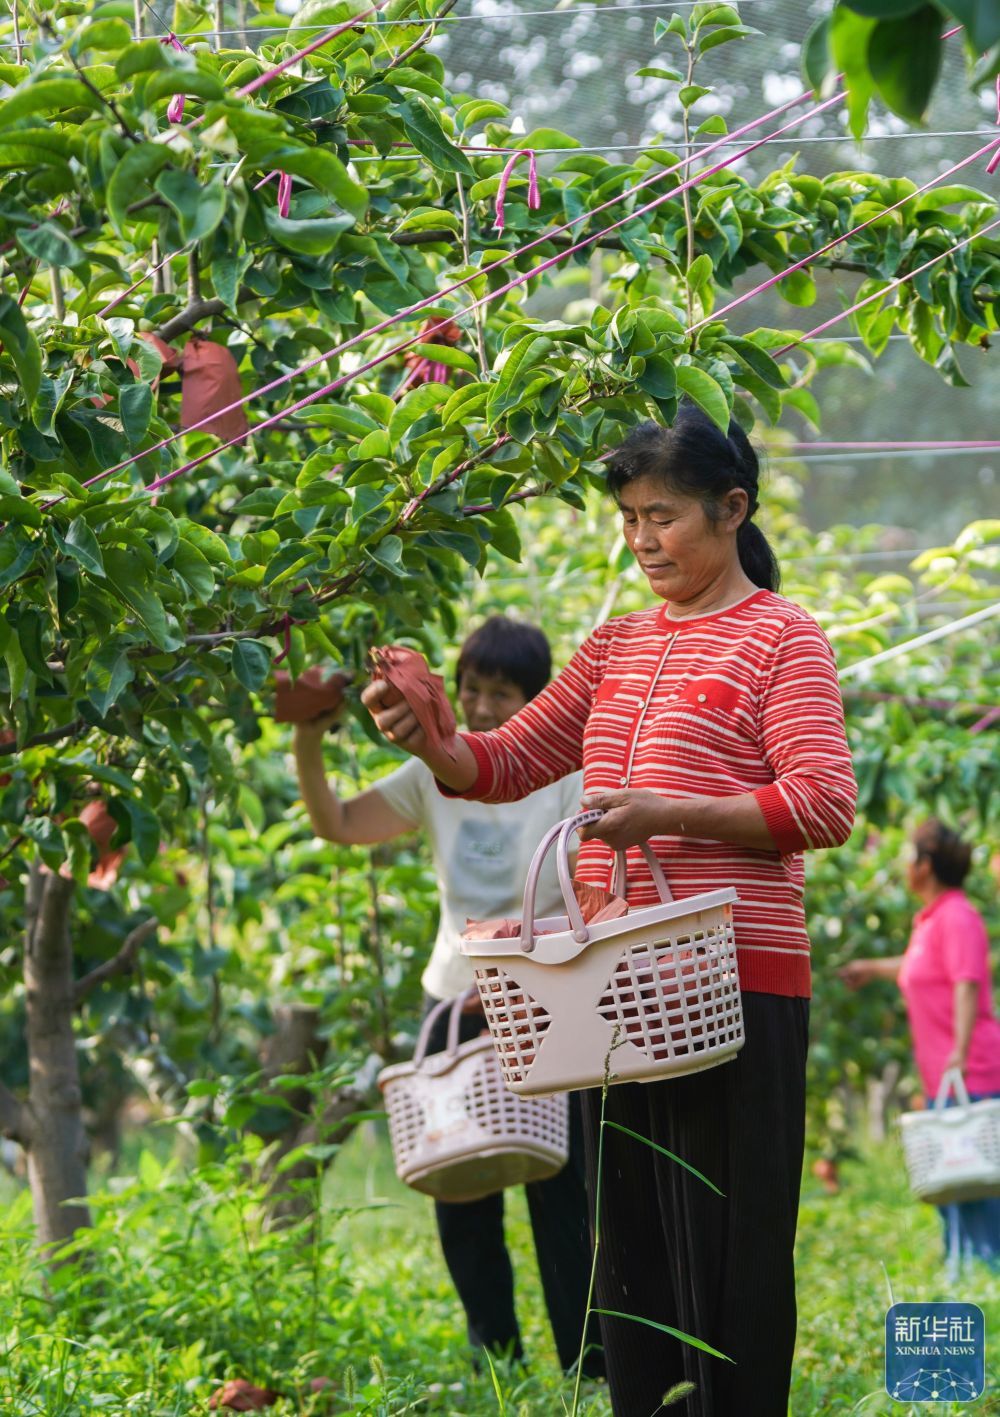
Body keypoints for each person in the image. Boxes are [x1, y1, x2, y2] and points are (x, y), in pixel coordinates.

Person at [362, 404, 857, 1417]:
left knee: (731, 1248)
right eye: (628, 517)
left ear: (732, 510)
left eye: (661, 516)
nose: (640, 539)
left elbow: (822, 802)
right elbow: (499, 765)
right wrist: (429, 733)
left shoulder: (781, 637)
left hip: (736, 987)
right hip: (619, 998)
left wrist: (668, 812)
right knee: (629, 1252)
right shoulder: (615, 646)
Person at [294, 616, 603, 1380]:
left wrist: (518, 978)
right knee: (459, 1186)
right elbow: (336, 823)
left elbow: (588, 894)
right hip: (452, 1002)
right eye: (471, 690)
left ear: (538, 700)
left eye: (504, 694)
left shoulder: (567, 773)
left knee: (561, 1191)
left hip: (545, 1003)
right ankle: (493, 1355)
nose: (484, 708)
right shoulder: (433, 772)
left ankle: (587, 1364)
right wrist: (309, 734)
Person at [840, 819, 1000, 1270]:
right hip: (946, 1073)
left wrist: (960, 1051)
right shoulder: (930, 919)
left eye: (910, 856)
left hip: (972, 1069)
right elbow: (918, 966)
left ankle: (985, 1277)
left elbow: (967, 984)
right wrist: (871, 968)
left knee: (981, 1180)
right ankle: (964, 1273)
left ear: (925, 866)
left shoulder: (957, 915)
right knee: (957, 1178)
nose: (905, 865)